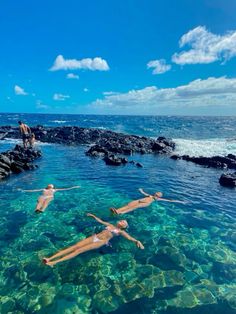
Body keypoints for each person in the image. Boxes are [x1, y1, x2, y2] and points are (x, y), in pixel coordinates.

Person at [42, 213, 144, 267]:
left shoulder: (121, 232)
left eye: (123, 222)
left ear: (124, 226)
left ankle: (54, 262)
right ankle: (49, 259)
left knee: (78, 251)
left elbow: (130, 238)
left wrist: (137, 241)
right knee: (74, 246)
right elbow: (101, 221)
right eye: (122, 220)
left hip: (100, 242)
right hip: (94, 237)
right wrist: (93, 216)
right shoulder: (110, 225)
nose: (121, 220)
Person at [110, 188, 186, 215]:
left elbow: (170, 200)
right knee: (129, 204)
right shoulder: (149, 195)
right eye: (157, 192)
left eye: (159, 194)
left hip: (146, 203)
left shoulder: (157, 199)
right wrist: (141, 190)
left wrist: (180, 201)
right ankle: (116, 211)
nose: (157, 193)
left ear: (159, 196)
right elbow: (144, 193)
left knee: (134, 207)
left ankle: (121, 213)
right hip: (139, 200)